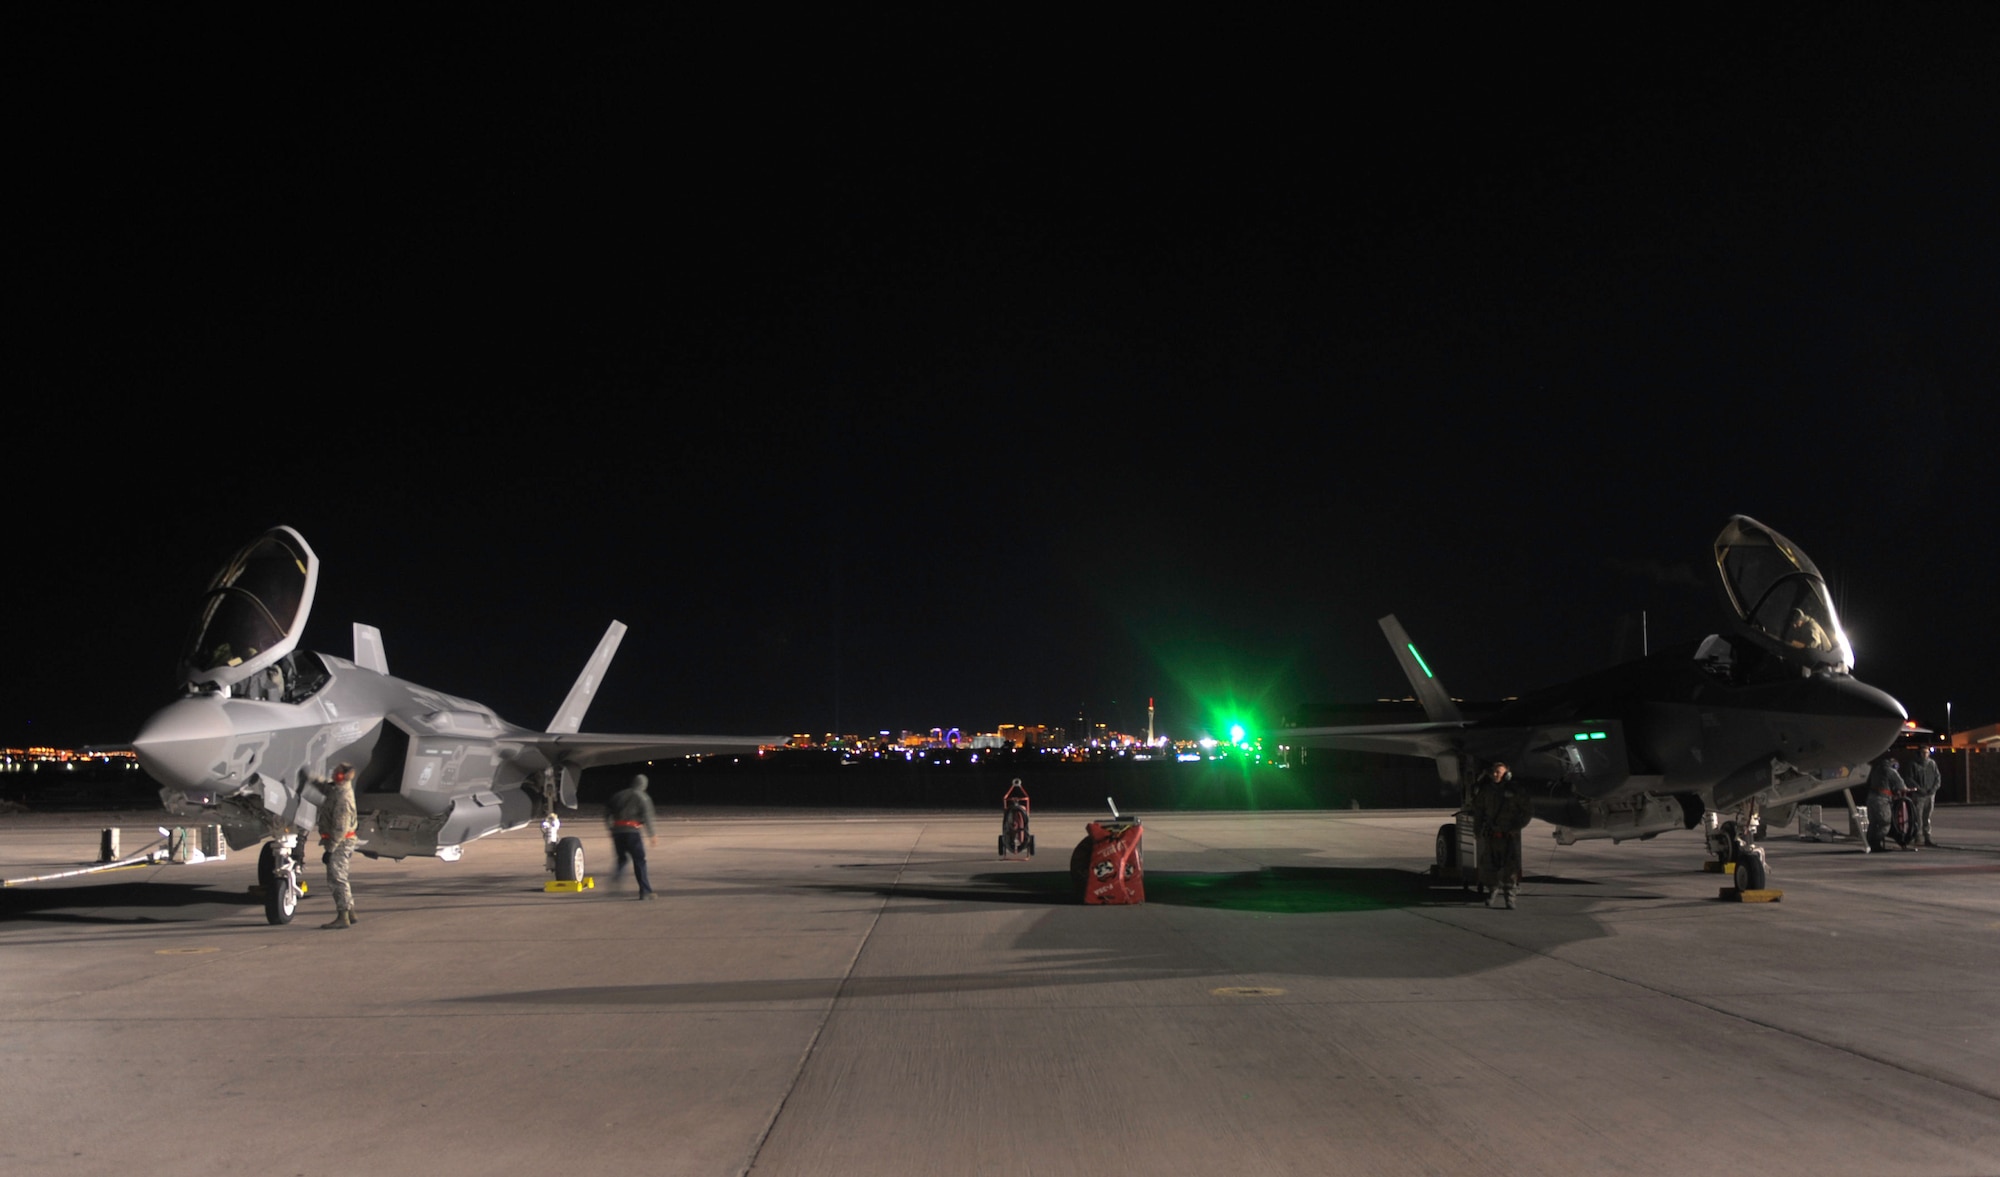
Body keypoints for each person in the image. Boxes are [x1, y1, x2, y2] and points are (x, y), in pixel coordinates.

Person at [1471, 761, 1532, 908]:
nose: (1495, 774)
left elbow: (1527, 811)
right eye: (1494, 772)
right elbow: (1478, 811)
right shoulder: (1486, 791)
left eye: (1499, 772)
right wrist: (1477, 830)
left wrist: (1517, 827)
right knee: (1489, 866)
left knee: (1510, 868)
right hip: (1492, 835)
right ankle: (1492, 891)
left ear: (1507, 774)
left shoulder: (1515, 792)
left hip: (1509, 836)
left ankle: (1510, 897)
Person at [316, 762, 359, 928]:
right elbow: (324, 788)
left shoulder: (343, 797)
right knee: (340, 876)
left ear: (342, 776)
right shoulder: (337, 790)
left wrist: (330, 849)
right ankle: (351, 912)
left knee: (337, 878)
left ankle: (343, 916)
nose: (334, 774)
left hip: (341, 842)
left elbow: (340, 828)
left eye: (337, 772)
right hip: (341, 841)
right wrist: (309, 777)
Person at [605, 772, 658, 899]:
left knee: (622, 858)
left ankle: (616, 878)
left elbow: (607, 813)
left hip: (617, 832)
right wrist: (652, 834)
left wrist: (610, 828)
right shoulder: (643, 797)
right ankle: (645, 892)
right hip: (632, 832)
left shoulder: (618, 795)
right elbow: (648, 816)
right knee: (639, 860)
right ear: (643, 784)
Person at [1863, 753, 1904, 853]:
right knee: (1884, 823)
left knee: (1873, 823)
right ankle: (1876, 844)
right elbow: (1900, 784)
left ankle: (1870, 843)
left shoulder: (1877, 769)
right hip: (1882, 799)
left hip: (1871, 798)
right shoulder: (1889, 770)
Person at [1908, 747, 1942, 847]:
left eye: (1927, 752)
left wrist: (1933, 789)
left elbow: (1937, 778)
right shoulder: (1914, 764)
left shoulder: (1932, 763)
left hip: (1930, 794)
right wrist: (1919, 789)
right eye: (1923, 752)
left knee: (1927, 816)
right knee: (1918, 817)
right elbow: (1909, 779)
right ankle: (1917, 836)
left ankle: (1927, 837)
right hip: (1919, 795)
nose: (1925, 755)